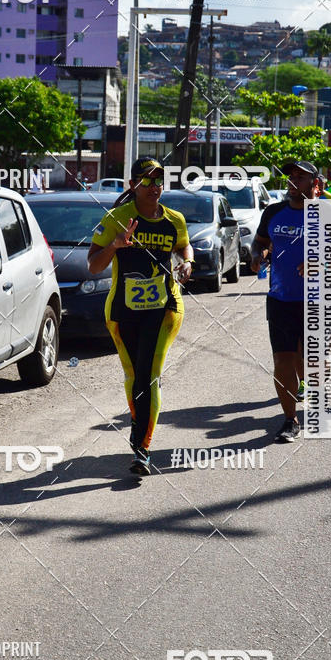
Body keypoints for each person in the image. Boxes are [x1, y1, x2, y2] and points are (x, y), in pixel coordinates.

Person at [87, 157, 193, 475]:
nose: (154, 187)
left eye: (159, 180)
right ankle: (140, 432)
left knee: (148, 374)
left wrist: (187, 262)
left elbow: (184, 247)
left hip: (164, 309)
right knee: (135, 377)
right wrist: (116, 246)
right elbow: (93, 264)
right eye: (146, 180)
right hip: (123, 310)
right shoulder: (118, 218)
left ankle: (141, 448)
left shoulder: (175, 219)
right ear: (133, 185)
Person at [251, 160, 331, 443]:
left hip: (317, 300)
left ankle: (319, 407)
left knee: (314, 361)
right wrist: (257, 255)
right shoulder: (273, 211)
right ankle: (290, 420)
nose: (293, 181)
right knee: (282, 360)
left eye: (301, 177)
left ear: (315, 184)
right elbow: (259, 241)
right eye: (290, 176)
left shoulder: (328, 212)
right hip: (280, 298)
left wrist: (321, 262)